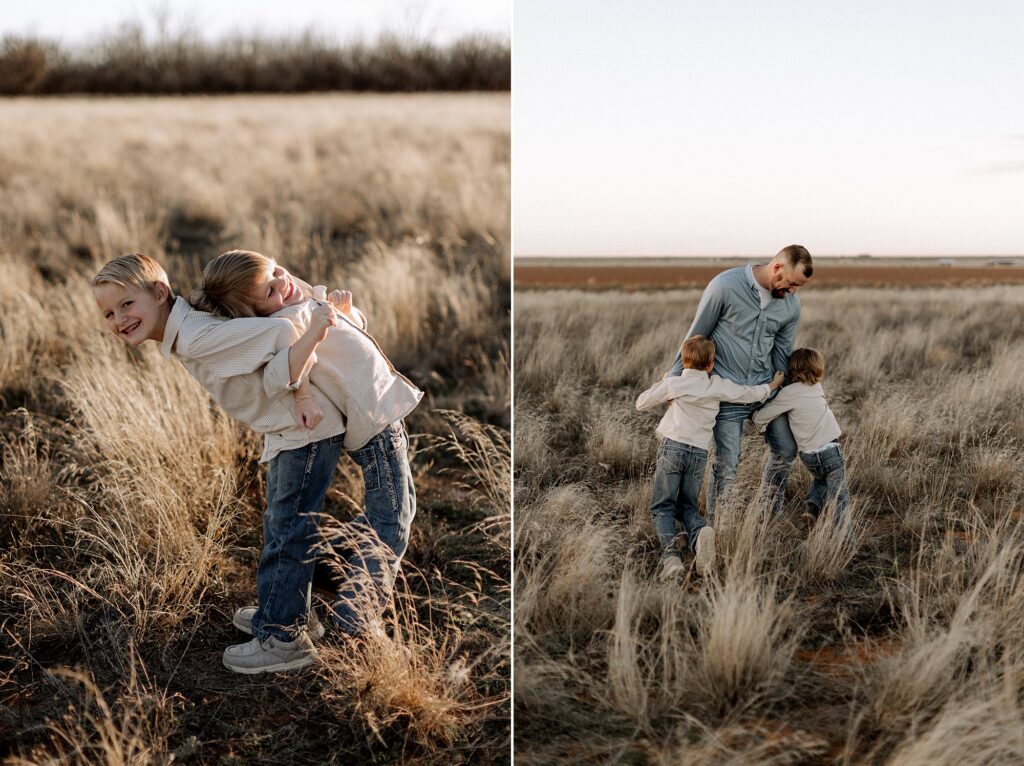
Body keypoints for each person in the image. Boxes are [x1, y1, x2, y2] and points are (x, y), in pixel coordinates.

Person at [191, 249, 422, 657]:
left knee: (393, 511)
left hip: (384, 415)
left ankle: (304, 585)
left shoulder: (303, 303)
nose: (283, 283)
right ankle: (356, 620)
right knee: (394, 519)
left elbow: (351, 347)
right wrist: (314, 329)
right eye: (269, 291)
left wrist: (349, 314)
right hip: (377, 427)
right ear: (255, 313)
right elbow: (283, 374)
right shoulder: (290, 323)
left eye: (276, 271)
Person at [668, 245, 813, 519]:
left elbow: (783, 351)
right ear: (777, 267)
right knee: (727, 464)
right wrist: (675, 383)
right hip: (728, 393)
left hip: (765, 391)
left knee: (786, 449)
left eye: (799, 287)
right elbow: (696, 335)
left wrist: (793, 393)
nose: (793, 291)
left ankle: (769, 516)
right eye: (792, 283)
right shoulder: (724, 286)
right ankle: (718, 524)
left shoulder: (791, 305)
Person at [638, 336, 784, 578]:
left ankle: (671, 558)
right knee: (688, 505)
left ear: (683, 361)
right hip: (698, 454)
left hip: (673, 447)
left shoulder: (674, 383)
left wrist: (662, 383)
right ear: (710, 365)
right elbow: (747, 394)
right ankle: (699, 534)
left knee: (663, 506)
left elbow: (640, 403)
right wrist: (771, 386)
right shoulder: (716, 384)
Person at [752, 348, 848, 525]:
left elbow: (761, 416)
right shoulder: (816, 387)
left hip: (808, 456)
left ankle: (812, 507)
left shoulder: (788, 393)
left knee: (820, 478)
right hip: (831, 451)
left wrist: (759, 425)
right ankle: (843, 537)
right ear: (817, 369)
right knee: (839, 496)